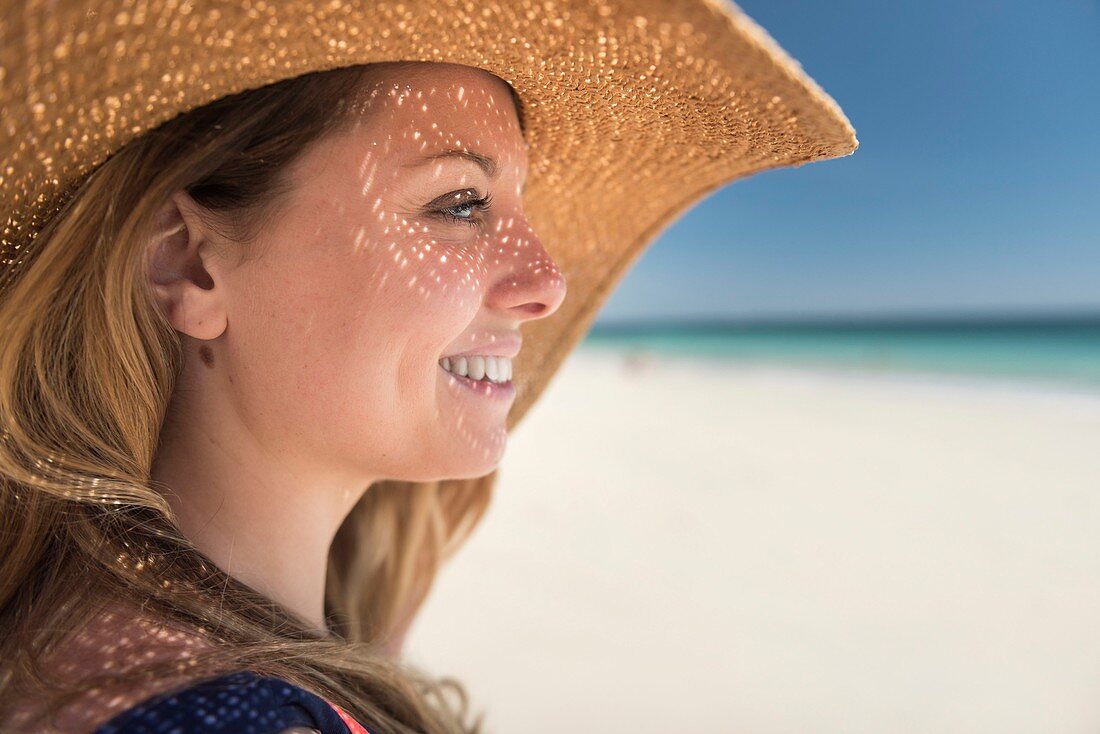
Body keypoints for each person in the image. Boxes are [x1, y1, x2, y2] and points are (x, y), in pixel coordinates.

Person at [0, 1, 857, 732]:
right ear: (190, 266)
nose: (548, 282)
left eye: (522, 208)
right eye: (459, 203)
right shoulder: (228, 710)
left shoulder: (104, 642)